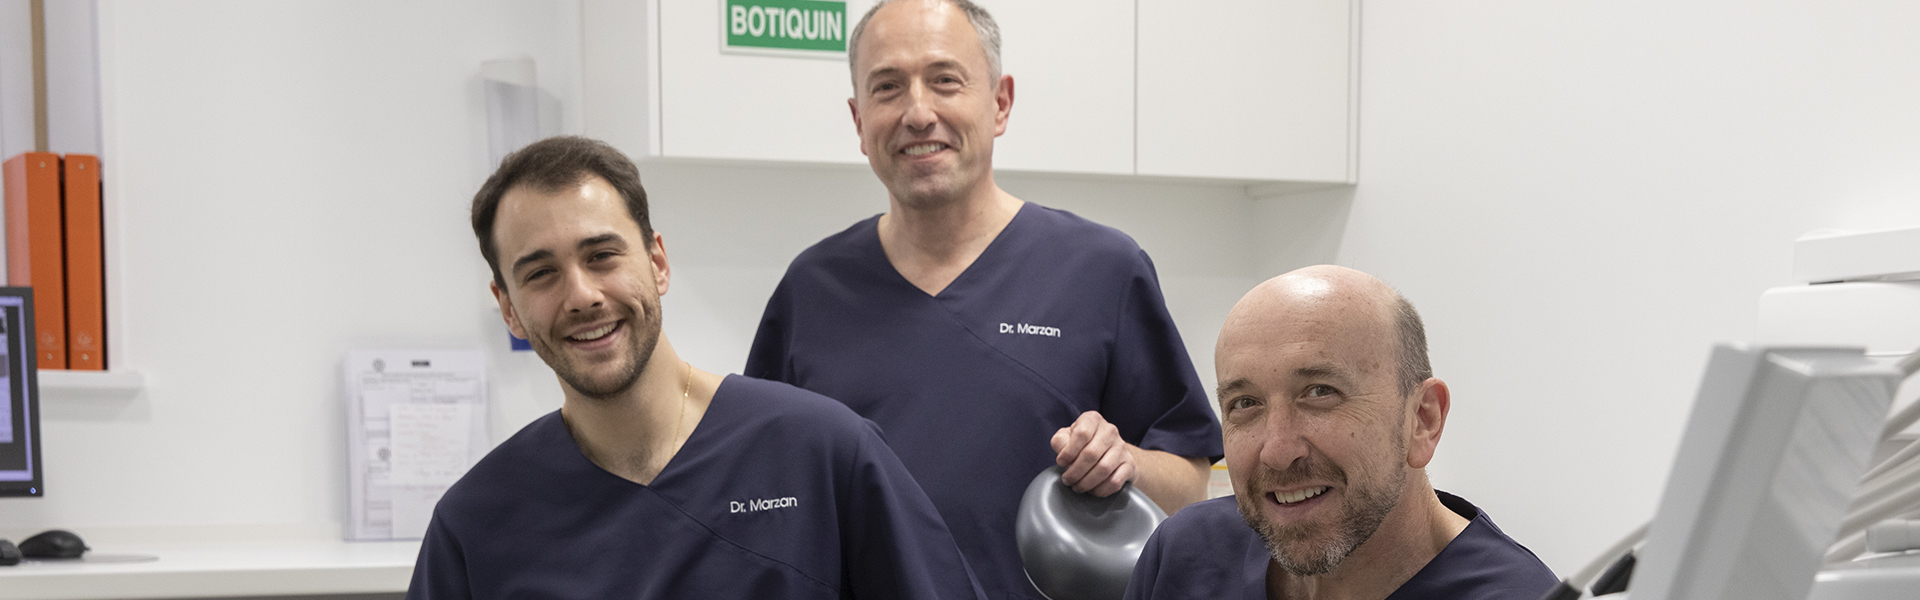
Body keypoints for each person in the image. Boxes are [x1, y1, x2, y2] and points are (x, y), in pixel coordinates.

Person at [745, 1, 1223, 597]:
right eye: (887, 87)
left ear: (1000, 102)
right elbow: (764, 493)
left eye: (945, 80)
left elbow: (1190, 485)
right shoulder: (811, 291)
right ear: (858, 119)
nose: (919, 112)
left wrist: (1124, 464)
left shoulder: (1101, 270)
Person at [407, 136, 985, 600]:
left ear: (657, 261)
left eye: (602, 255)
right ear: (508, 307)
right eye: (540, 274)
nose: (582, 295)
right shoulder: (474, 526)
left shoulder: (822, 453)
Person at [1123, 265, 1557, 600]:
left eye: (1320, 392)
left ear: (1423, 419)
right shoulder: (1185, 556)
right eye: (1245, 403)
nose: (1278, 450)